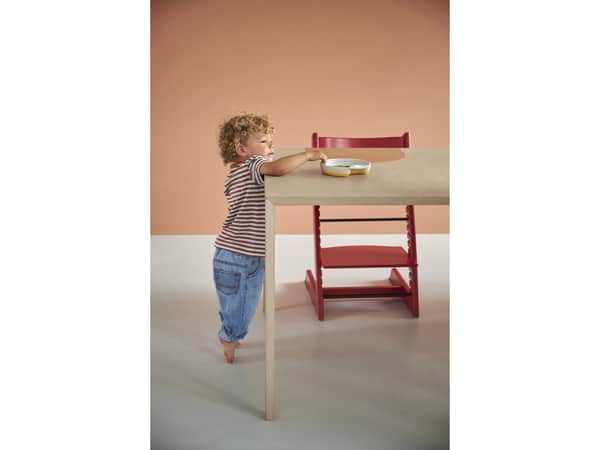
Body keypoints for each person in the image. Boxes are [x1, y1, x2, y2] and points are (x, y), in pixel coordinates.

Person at [213, 113, 327, 363]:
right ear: (242, 149)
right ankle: (229, 338)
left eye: (271, 141)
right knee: (244, 305)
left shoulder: (235, 172)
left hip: (227, 252)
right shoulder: (253, 165)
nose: (271, 147)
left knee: (234, 303)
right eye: (264, 142)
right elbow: (276, 168)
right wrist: (307, 155)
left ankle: (231, 331)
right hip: (244, 256)